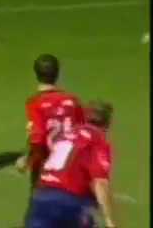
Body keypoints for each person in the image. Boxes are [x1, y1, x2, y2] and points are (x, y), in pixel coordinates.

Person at [26, 100, 117, 228]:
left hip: (42, 198)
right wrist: (110, 222)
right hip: (70, 202)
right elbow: (100, 182)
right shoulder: (98, 140)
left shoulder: (66, 135)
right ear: (108, 123)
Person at [17, 54, 85, 188]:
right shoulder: (73, 101)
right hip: (71, 167)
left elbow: (37, 138)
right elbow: (83, 131)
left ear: (36, 74)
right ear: (58, 74)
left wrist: (26, 160)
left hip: (46, 169)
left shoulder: (35, 103)